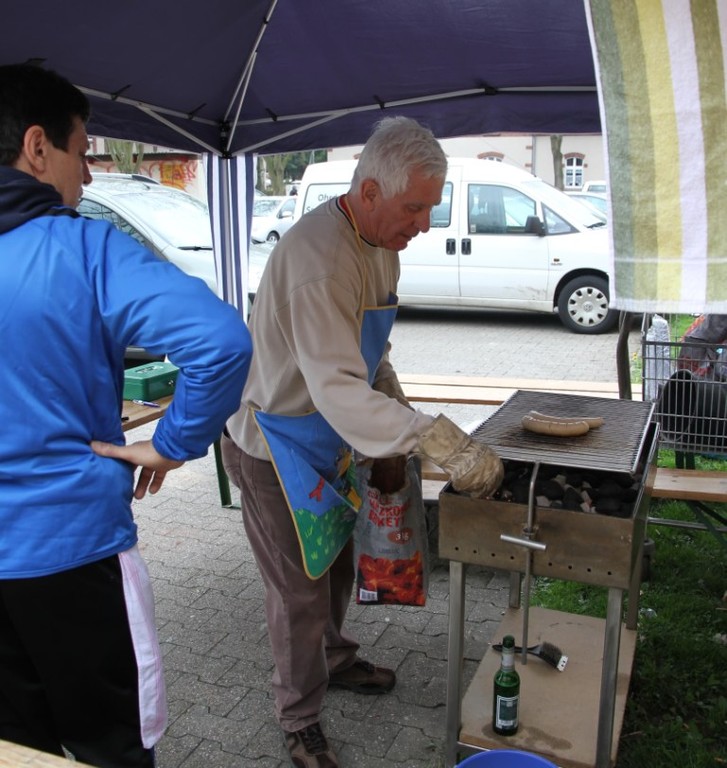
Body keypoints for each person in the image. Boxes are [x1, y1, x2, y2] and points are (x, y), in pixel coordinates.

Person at [221, 115, 503, 768]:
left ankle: (334, 656)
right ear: (370, 191)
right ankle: (298, 719)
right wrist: (433, 439)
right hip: (272, 447)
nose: (424, 225)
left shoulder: (379, 241)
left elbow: (371, 356)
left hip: (325, 440)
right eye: (415, 208)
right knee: (298, 590)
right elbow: (339, 390)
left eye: (430, 208)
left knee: (335, 563)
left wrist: (398, 422)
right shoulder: (320, 262)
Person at [0, 64, 252, 767]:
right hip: (71, 548)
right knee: (109, 745)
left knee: (16, 749)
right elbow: (222, 342)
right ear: (37, 147)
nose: (87, 176)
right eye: (81, 153)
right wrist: (173, 443)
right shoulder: (83, 248)